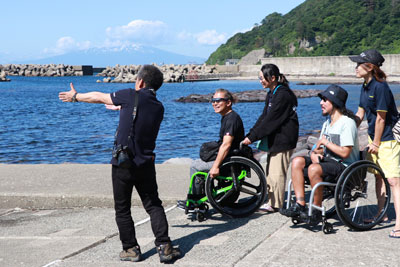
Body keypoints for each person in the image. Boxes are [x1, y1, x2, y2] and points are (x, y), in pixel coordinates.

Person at [58, 65, 181, 263]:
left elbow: (99, 96)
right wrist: (120, 107)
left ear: (140, 81)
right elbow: (140, 119)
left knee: (122, 209)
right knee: (153, 205)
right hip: (146, 163)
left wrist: (75, 96)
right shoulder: (159, 107)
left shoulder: (129, 95)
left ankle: (131, 249)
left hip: (123, 163)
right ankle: (165, 247)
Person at [280, 85, 359, 223]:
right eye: (322, 99)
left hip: (345, 167)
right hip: (328, 161)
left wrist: (326, 143)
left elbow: (345, 153)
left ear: (335, 103)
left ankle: (316, 210)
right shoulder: (327, 123)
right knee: (297, 161)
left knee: (313, 168)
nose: (321, 103)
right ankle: (300, 204)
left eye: (325, 100)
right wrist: (313, 154)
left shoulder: (347, 123)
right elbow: (319, 147)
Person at [349, 49, 400, 238]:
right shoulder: (365, 85)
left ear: (370, 67)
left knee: (394, 181)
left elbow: (380, 118)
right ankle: (382, 214)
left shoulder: (380, 87)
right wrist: (347, 126)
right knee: (378, 177)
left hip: (388, 140)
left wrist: (377, 143)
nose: (355, 68)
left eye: (358, 64)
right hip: (374, 138)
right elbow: (361, 111)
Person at [242, 64, 299, 212]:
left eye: (262, 78)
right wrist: (251, 134)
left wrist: (252, 137)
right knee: (271, 171)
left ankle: (275, 204)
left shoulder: (283, 95)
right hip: (276, 138)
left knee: (276, 172)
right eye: (259, 78)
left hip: (284, 139)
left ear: (272, 78)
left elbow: (271, 120)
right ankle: (272, 200)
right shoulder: (272, 93)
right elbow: (264, 117)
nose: (260, 81)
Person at [177, 88, 244, 209]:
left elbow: (226, 145)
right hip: (229, 157)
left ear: (228, 103)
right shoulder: (227, 116)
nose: (215, 103)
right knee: (199, 161)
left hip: (230, 161)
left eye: (219, 100)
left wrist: (215, 166)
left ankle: (196, 201)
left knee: (195, 166)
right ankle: (199, 197)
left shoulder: (232, 119)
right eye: (213, 100)